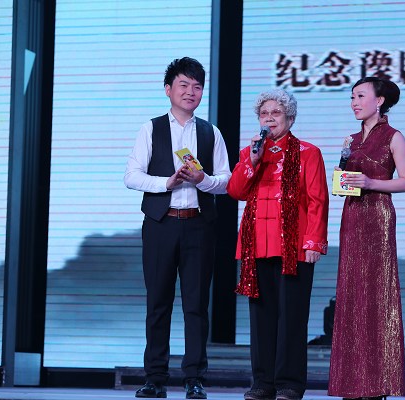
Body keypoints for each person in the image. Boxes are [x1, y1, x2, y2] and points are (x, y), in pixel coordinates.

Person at [124, 57, 231, 399]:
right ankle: (155, 378)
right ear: (168, 89)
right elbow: (131, 176)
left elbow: (227, 181)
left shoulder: (211, 132)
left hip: (199, 225)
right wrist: (165, 183)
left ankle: (194, 378)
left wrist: (203, 180)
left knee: (196, 306)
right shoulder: (151, 129)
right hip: (161, 224)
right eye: (184, 85)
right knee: (158, 303)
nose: (191, 92)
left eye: (197, 87)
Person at [227, 88, 329, 400]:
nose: (269, 119)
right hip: (256, 245)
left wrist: (314, 242)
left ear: (290, 118)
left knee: (292, 317)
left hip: (294, 248)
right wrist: (253, 160)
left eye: (276, 113)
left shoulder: (308, 152)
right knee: (261, 318)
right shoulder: (250, 152)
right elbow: (236, 191)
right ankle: (263, 383)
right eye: (264, 114)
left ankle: (290, 383)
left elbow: (317, 200)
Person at [327, 77, 405, 400]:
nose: (354, 102)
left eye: (360, 96)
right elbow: (343, 183)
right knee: (351, 296)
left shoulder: (393, 137)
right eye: (352, 97)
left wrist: (371, 183)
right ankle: (352, 383)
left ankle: (377, 385)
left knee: (377, 296)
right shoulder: (350, 140)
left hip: (378, 218)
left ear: (379, 101)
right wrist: (342, 182)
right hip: (352, 216)